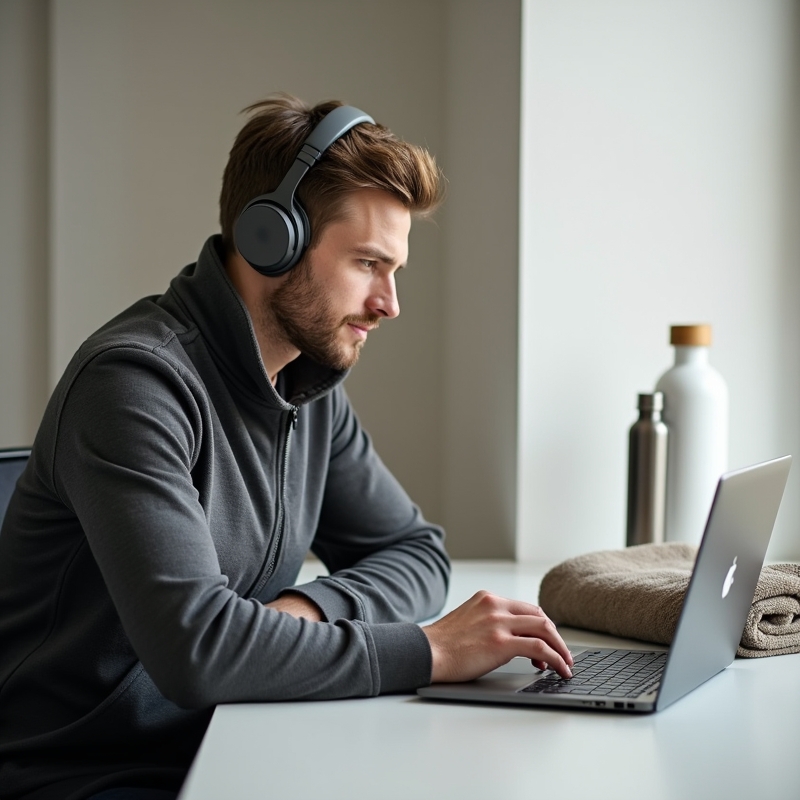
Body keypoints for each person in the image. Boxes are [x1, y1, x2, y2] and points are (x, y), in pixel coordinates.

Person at [0, 94, 572, 800]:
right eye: (368, 263)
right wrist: (434, 650)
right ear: (273, 239)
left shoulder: (307, 385)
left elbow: (416, 552)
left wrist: (306, 611)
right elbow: (200, 654)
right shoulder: (132, 386)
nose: (390, 303)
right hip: (91, 774)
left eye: (394, 269)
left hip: (232, 736)